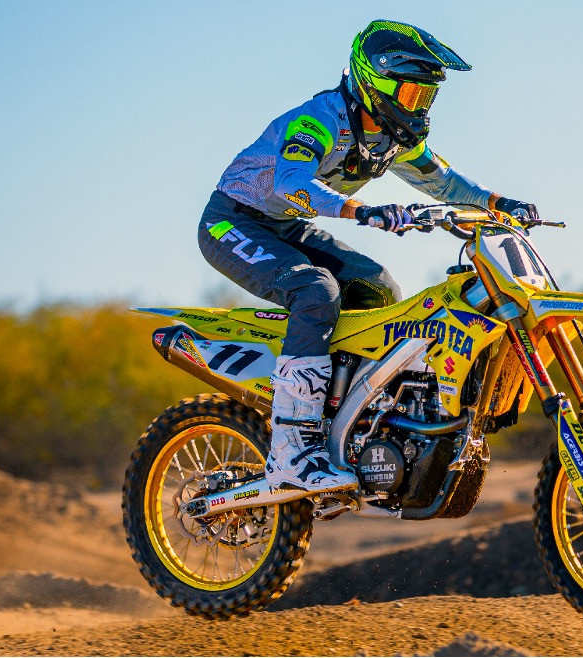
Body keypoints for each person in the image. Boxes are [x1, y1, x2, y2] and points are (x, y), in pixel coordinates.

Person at [198, 19, 538, 494]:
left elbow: (444, 183)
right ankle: (291, 450)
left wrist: (501, 205)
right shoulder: (319, 120)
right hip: (232, 221)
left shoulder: (391, 137)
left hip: (286, 226)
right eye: (412, 93)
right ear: (376, 81)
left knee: (381, 290)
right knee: (315, 290)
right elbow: (290, 185)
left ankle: (350, 420)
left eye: (427, 96)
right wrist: (363, 210)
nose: (420, 105)